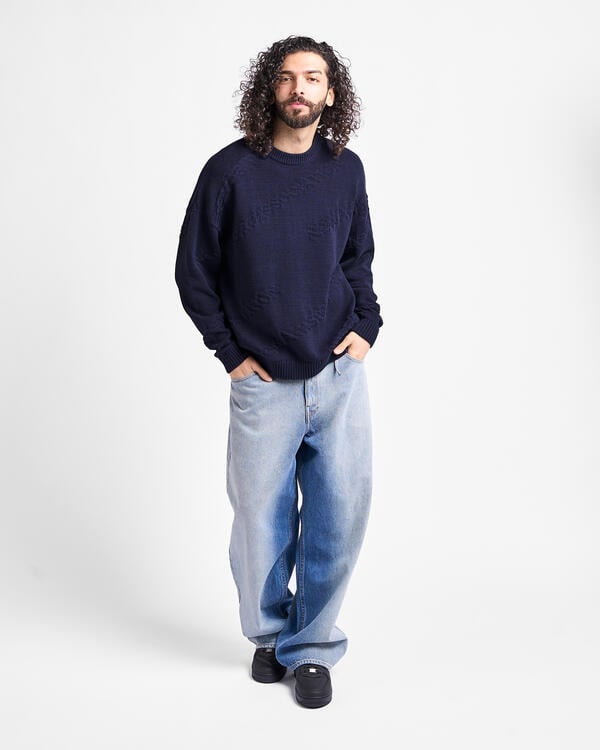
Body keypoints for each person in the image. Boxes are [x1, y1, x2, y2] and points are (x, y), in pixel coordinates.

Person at [174, 35, 383, 709]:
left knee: (338, 517)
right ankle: (269, 635)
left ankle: (312, 647)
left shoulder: (346, 170)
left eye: (313, 78)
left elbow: (357, 259)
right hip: (262, 384)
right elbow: (194, 272)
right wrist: (230, 355)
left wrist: (367, 327)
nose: (300, 89)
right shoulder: (229, 171)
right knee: (259, 525)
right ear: (270, 88)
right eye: (288, 77)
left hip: (337, 375)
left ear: (331, 93)